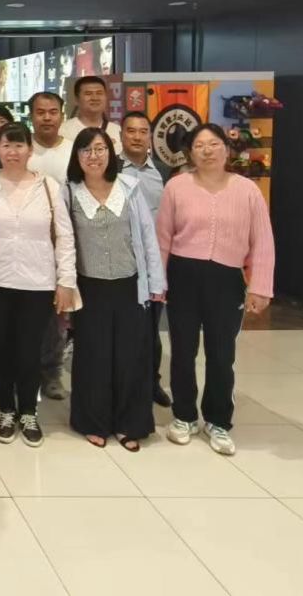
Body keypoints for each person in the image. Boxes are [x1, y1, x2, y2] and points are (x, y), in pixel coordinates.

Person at [157, 123, 274, 456]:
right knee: (183, 350)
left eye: (213, 144)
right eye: (199, 145)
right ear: (190, 153)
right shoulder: (177, 187)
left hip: (227, 279)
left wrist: (260, 286)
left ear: (226, 148)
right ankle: (183, 416)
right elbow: (162, 237)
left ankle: (218, 420)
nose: (207, 150)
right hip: (183, 276)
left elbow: (263, 241)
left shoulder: (247, 191)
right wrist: (157, 282)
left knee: (222, 354)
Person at [0, 122, 77, 448]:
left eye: (19, 145)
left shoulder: (48, 186)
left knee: (30, 350)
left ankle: (29, 411)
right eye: (6, 145)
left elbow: (64, 236)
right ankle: (6, 409)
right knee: (1, 349)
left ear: (30, 150)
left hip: (38, 282)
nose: (13, 152)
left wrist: (66, 281)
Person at [63, 128, 165, 451]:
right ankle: (93, 422)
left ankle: (128, 423)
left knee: (131, 356)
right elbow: (63, 242)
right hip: (89, 288)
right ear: (77, 157)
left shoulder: (129, 187)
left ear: (110, 152)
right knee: (93, 356)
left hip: (129, 285)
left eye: (100, 149)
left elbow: (147, 236)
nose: (93, 156)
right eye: (86, 150)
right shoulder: (69, 193)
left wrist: (156, 282)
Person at [117, 110, 173, 406]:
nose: (137, 137)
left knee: (151, 329)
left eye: (142, 131)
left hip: (154, 263)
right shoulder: (110, 167)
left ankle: (152, 383)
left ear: (150, 136)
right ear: (121, 135)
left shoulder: (164, 172)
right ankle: (123, 384)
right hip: (121, 261)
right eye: (131, 131)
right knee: (123, 329)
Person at [25, 90, 74, 400]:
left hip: (63, 238)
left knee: (57, 314)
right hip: (26, 241)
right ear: (31, 116)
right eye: (40, 112)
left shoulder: (73, 150)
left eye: (52, 112)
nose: (46, 117)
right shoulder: (22, 148)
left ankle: (52, 371)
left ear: (62, 115)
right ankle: (26, 370)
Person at [61, 76, 122, 150]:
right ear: (77, 99)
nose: (95, 98)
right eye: (88, 94)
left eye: (99, 93)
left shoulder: (117, 130)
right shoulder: (63, 130)